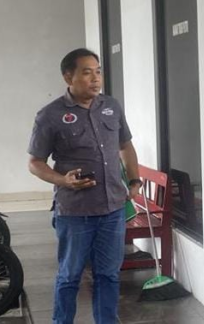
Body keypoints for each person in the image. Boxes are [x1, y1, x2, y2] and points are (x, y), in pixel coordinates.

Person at [27, 48, 141, 324]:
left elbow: (125, 145)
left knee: (108, 275)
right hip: (75, 212)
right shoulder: (50, 115)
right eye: (87, 73)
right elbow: (35, 162)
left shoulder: (111, 106)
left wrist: (134, 180)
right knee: (70, 276)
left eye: (98, 72)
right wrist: (63, 180)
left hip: (112, 209)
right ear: (69, 77)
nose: (95, 78)